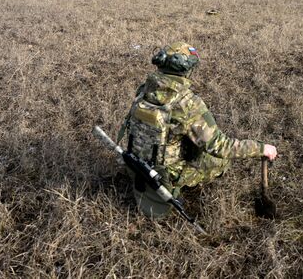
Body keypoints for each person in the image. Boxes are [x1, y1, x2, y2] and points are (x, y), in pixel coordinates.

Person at [118, 42, 278, 218]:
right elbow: (220, 146)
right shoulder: (188, 104)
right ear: (187, 69)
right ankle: (177, 183)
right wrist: (262, 148)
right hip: (165, 175)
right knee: (220, 161)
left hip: (137, 163)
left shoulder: (145, 89)